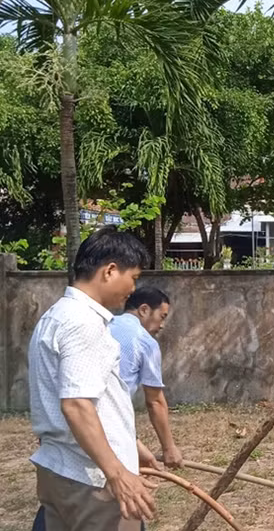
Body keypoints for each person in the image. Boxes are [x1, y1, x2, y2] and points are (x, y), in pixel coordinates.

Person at [28, 226, 155, 531]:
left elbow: (93, 401)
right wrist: (117, 474)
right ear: (110, 270)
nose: (133, 290)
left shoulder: (55, 316)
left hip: (61, 471)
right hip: (91, 480)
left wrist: (130, 443)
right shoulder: (83, 324)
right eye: (133, 278)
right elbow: (76, 405)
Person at [110, 286, 182, 469]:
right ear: (144, 310)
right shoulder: (145, 342)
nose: (162, 325)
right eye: (162, 317)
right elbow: (155, 401)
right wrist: (169, 448)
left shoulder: (104, 325)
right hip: (110, 425)